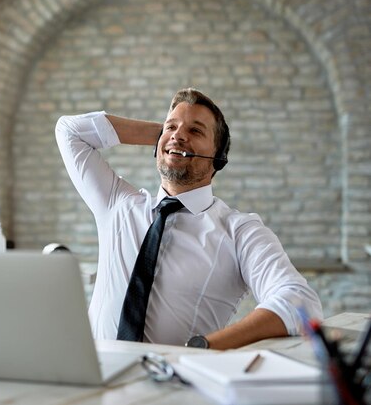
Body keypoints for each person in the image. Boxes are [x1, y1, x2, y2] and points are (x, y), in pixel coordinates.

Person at [55, 87, 322, 349]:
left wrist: (205, 347)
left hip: (174, 382)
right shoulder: (117, 204)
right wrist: (167, 137)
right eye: (170, 127)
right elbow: (70, 131)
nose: (179, 135)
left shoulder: (239, 231)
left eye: (196, 130)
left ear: (219, 156)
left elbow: (300, 301)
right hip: (95, 374)